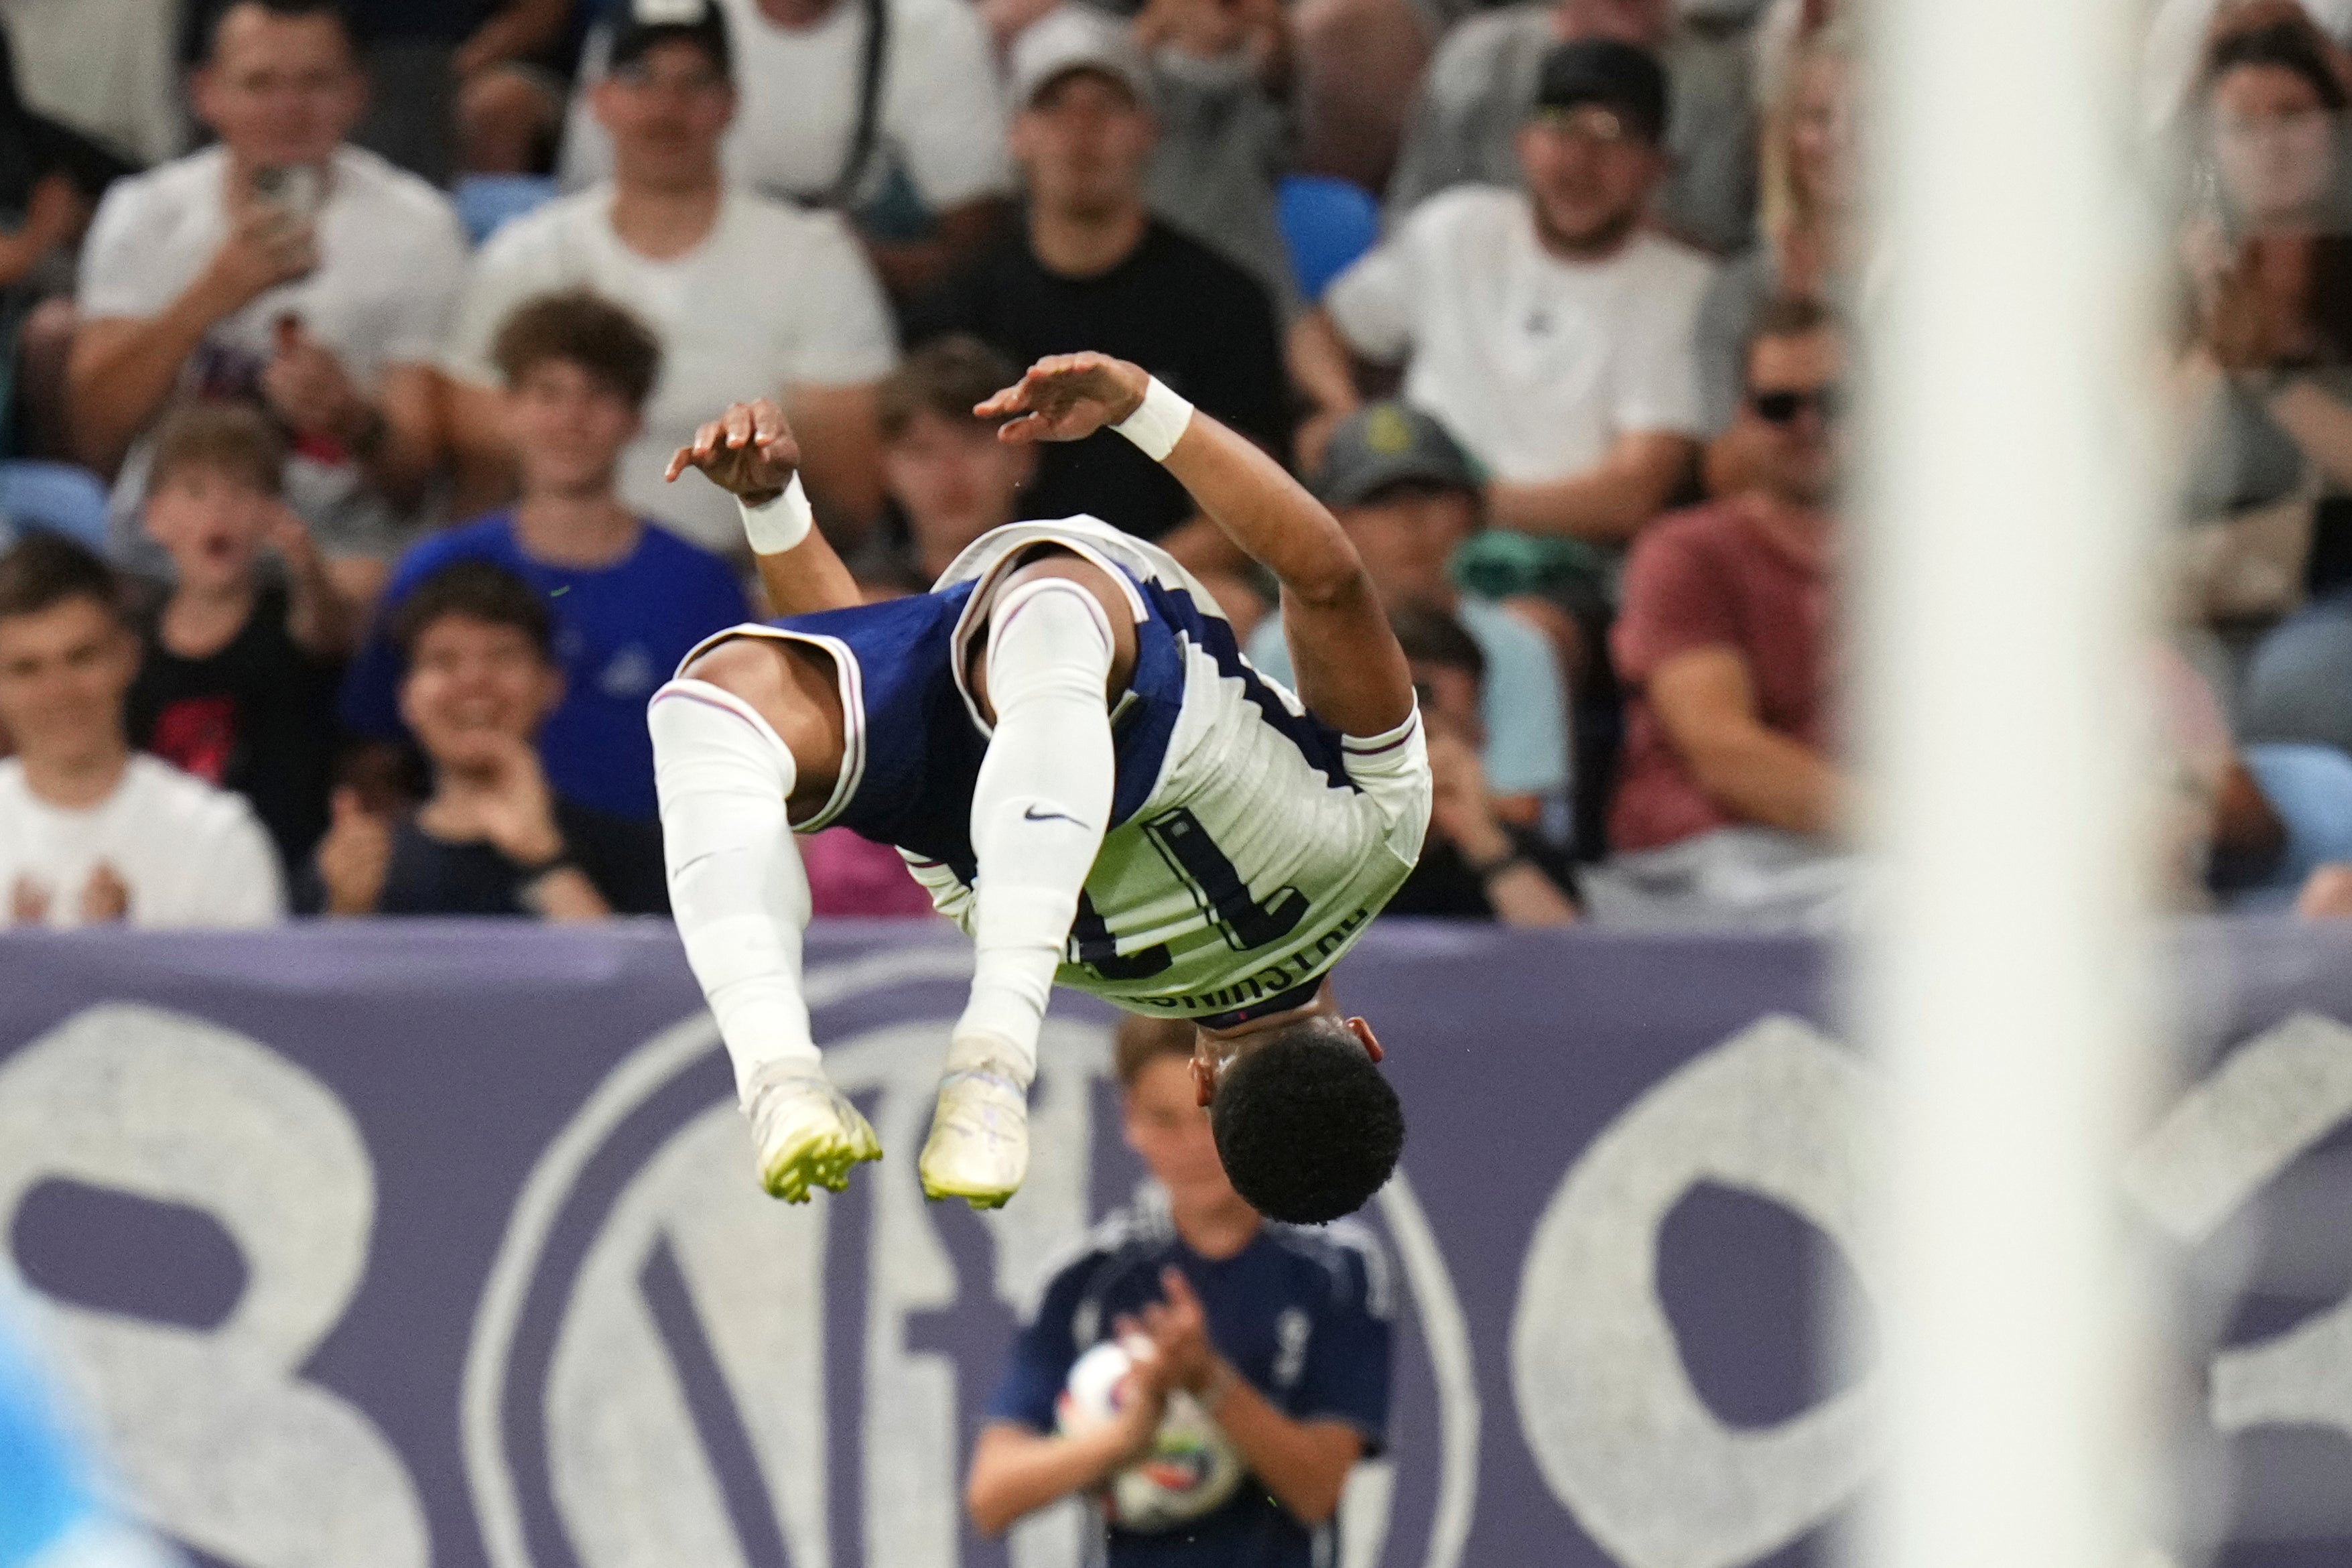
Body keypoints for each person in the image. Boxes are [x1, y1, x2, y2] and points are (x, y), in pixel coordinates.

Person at [650, 349, 1425, 1222]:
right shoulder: (1059, 945)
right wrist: (769, 506)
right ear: (1204, 1082)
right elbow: (884, 727)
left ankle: (916, 1061)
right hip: (1002, 800)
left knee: (1052, 607)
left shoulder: (1382, 837)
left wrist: (1143, 405)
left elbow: (1325, 579)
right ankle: (785, 1078)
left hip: (1111, 661)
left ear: (1364, 1039)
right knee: (710, 707)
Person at [444, 0, 901, 552]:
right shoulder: (522, 258)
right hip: (555, 581)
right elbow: (482, 471)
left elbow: (847, 491)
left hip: (749, 586)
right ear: (599, 99)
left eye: (696, 83)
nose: (667, 108)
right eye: (640, 80)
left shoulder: (814, 256)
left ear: (731, 103)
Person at [66, 0, 468, 605]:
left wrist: (351, 418)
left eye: (315, 82)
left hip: (343, 551)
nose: (289, 110)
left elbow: (414, 480)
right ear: (206, 94)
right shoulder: (144, 213)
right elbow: (97, 431)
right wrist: (210, 296)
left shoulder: (417, 226)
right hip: (167, 551)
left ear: (357, 95)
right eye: (259, 83)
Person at [965, 1014, 1394, 1565]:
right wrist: (1124, 1437)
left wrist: (1206, 1379)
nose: (1193, 1146)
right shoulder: (1083, 1282)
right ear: (1129, 1122)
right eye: (1164, 1120)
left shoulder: (1340, 1271)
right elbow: (990, 1498)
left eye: (1210, 1116)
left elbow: (1316, 1493)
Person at [906, 7, 1292, 564]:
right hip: (994, 591)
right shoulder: (954, 312)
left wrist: (1108, 586)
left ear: (1148, 130)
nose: (1081, 130)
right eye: (1054, 106)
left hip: (1169, 594)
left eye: (1107, 105)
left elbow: (1250, 505)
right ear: (1017, 134)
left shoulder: (1224, 304)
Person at [1295, 38, 1714, 547]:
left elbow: (1632, 493)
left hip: (1562, 555)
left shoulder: (1687, 286)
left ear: (1656, 166)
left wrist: (1450, 505)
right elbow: (1319, 333)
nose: (1579, 161)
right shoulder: (1455, 227)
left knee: (1525, 622)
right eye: (1560, 128)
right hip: (1408, 527)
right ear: (1524, 141)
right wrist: (1346, 418)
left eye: (1613, 135)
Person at [350, 290, 750, 823]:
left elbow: (746, 768)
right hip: (469, 880)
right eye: (547, 393)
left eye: (599, 395)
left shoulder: (702, 586)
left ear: (635, 419)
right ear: (508, 410)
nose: (571, 419)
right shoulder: (433, 569)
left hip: (653, 884)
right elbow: (375, 751)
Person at [1583, 296, 1851, 929]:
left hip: (1868, 857)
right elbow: (1725, 753)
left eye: (1837, 403)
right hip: (1705, 861)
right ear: (1742, 418)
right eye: (1779, 407)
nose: (1808, 425)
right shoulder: (1687, 551)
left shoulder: (1938, 561)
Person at [1244, 401, 1572, 830]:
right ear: (1332, 521)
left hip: (1480, 878)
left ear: (1468, 511)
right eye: (1378, 500)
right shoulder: (1280, 643)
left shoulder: (1520, 645)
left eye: (1431, 494)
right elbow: (1265, 805)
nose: (1410, 521)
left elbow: (1526, 809)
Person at [558, 0, 1013, 299]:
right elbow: (590, 203)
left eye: (694, 83)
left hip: (867, 291)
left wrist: (836, 267)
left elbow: (977, 246)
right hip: (659, 279)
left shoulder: (934, 26)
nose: (670, 101)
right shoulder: (654, 15)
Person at [312, 560, 669, 919]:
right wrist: (347, 910)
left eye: (503, 656)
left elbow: (644, 975)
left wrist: (544, 859)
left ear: (551, 685)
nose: (474, 682)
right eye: (443, 660)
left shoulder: (640, 854)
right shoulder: (355, 864)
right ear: (406, 697)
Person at [0, 532, 283, 927]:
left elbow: (251, 990)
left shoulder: (217, 839)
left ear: (128, 656)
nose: (59, 692)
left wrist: (125, 958)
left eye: (81, 658)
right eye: (26, 669)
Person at [125, 403, 356, 877]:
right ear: (154, 518)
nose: (219, 509)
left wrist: (308, 568)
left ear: (274, 514)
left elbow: (325, 633)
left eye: (242, 491)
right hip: (167, 871)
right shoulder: (135, 645)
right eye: (195, 491)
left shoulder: (289, 616)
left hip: (281, 871)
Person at [1385, 0, 1759, 259]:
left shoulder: (1717, 82)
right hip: (1477, 290)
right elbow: (1411, 210)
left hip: (1639, 302)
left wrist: (1594, 232)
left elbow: (1722, 250)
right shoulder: (1482, 55)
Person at [1692, 18, 1854, 457]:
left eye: (1870, 117)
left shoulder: (1966, 280)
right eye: (1818, 117)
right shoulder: (1742, 288)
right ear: (1786, 134)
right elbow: (1724, 467)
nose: (1843, 138)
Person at [1382, 605, 1578, 922]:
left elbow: (1571, 962)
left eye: (1434, 733)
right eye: (1393, 730)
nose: (1414, 753)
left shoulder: (1520, 851)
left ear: (1477, 739)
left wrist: (1484, 844)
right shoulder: (1306, 838)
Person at [854, 334, 1036, 590]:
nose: (950, 473)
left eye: (973, 443)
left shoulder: (1078, 587)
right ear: (885, 467)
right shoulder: (859, 607)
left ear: (1022, 457)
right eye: (921, 450)